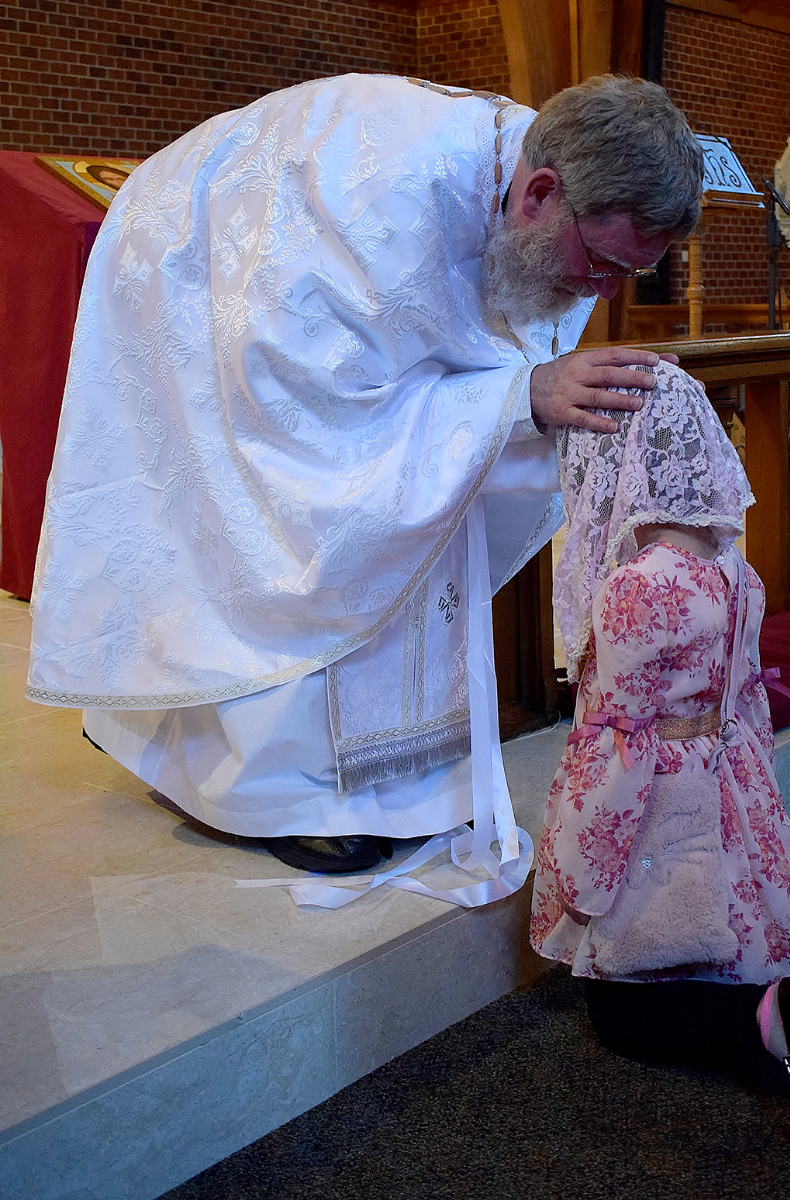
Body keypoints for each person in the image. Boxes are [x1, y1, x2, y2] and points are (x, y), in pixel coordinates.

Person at [26, 72, 703, 886]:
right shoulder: (369, 198)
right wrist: (518, 396)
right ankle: (271, 790)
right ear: (540, 193)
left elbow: (483, 353)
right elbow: (304, 412)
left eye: (627, 275)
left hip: (312, 272)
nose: (602, 290)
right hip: (196, 259)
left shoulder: (556, 193)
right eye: (599, 262)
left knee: (435, 483)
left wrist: (525, 400)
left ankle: (387, 780)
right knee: (264, 519)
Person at [529, 363, 790, 1140]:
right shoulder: (732, 571)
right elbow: (744, 696)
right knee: (746, 929)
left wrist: (578, 856)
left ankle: (780, 1020)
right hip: (726, 769)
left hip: (654, 797)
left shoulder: (636, 586)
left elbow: (614, 736)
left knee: (628, 1006)